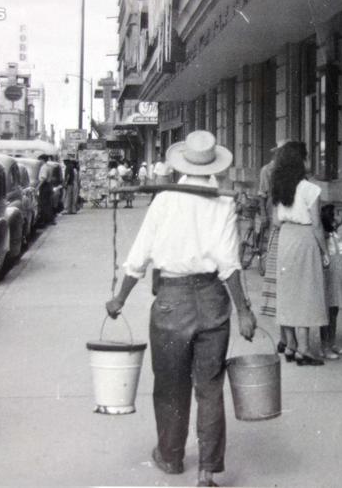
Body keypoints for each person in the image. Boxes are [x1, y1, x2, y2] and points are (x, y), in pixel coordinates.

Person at [106, 130, 256, 488]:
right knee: (209, 386)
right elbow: (229, 263)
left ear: (182, 164)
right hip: (212, 299)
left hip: (171, 302)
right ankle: (206, 471)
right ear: (213, 164)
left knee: (170, 386)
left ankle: (171, 457)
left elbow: (139, 255)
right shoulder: (222, 202)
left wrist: (119, 298)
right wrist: (243, 310)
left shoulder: (165, 200)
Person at [272, 141, 328, 366]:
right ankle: (304, 349)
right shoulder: (310, 189)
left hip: (285, 238)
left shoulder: (279, 187)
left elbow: (276, 221)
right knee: (305, 292)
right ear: (301, 161)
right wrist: (325, 252)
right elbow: (316, 225)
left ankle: (291, 344)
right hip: (304, 239)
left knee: (286, 292)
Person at [258, 140, 287, 351]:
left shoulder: (290, 172)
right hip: (273, 213)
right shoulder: (267, 170)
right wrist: (263, 215)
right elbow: (262, 196)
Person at [319, 203, 342, 360]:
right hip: (329, 278)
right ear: (331, 220)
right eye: (336, 214)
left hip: (338, 277)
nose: (341, 216)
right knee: (326, 312)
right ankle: (324, 346)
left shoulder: (335, 234)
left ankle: (332, 343)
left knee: (334, 311)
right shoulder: (325, 237)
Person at [37, 154, 56, 225]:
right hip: (49, 186)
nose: (39, 161)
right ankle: (49, 219)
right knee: (48, 203)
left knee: (44, 204)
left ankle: (46, 220)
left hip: (44, 186)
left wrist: (38, 187)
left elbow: (43, 178)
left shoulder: (43, 167)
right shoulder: (49, 167)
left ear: (42, 160)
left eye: (40, 160)